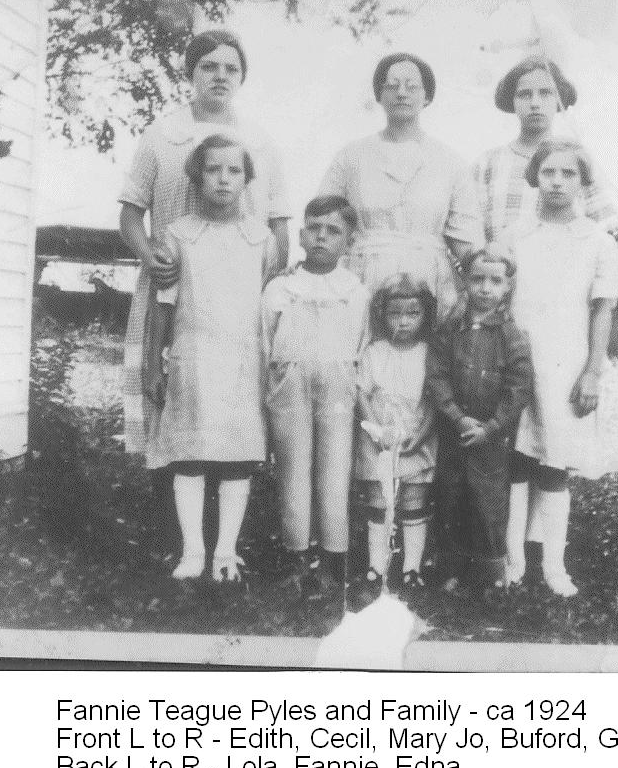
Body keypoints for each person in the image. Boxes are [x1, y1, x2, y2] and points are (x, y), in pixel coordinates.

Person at [119, 29, 290, 455]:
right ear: (191, 73)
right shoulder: (163, 134)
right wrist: (151, 259)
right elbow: (130, 213)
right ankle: (170, 490)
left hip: (237, 296)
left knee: (235, 406)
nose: (220, 76)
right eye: (208, 66)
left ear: (242, 77)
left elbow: (278, 224)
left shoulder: (260, 142)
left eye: (231, 68)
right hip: (174, 286)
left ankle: (232, 486)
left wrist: (268, 284)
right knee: (170, 400)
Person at [143, 135, 282, 582]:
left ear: (246, 179)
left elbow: (269, 303)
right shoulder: (180, 234)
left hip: (244, 360)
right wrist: (153, 362)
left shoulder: (260, 238)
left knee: (237, 455)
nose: (223, 179)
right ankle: (192, 553)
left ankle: (225, 553)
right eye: (213, 169)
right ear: (197, 176)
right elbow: (163, 302)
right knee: (191, 453)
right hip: (194, 357)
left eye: (234, 171)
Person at [506, 139, 618, 597]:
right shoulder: (515, 236)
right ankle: (513, 563)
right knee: (515, 461)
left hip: (566, 363)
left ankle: (553, 566)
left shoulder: (598, 242)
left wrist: (592, 371)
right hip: (517, 361)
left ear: (583, 182)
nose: (557, 182)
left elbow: (603, 309)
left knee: (554, 464)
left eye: (568, 173)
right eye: (548, 172)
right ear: (535, 177)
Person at [260, 196, 370, 594]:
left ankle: (333, 560)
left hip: (338, 384)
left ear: (348, 242)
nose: (322, 237)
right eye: (314, 228)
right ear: (302, 235)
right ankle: (296, 557)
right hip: (290, 381)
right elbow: (265, 341)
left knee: (335, 470)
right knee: (293, 468)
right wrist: (271, 385)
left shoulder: (355, 290)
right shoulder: (281, 287)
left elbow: (362, 343)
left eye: (333, 231)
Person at [316, 52, 481, 315]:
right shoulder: (351, 156)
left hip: (429, 280)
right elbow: (323, 220)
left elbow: (467, 243)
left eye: (412, 86)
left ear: (427, 97)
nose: (401, 93)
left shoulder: (450, 162)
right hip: (362, 279)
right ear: (379, 96)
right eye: (391, 86)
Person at [425, 249, 532, 589]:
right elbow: (437, 377)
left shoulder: (511, 336)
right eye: (477, 279)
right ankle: (450, 569)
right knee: (450, 496)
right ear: (465, 281)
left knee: (488, 503)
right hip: (455, 434)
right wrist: (457, 418)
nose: (485, 288)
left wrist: (491, 428)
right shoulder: (450, 330)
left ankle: (490, 576)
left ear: (508, 286)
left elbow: (519, 388)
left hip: (492, 440)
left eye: (495, 281)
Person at [354, 274, 439, 602]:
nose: (403, 322)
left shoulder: (429, 353)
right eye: (395, 313)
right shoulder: (374, 352)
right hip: (377, 440)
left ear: (425, 315)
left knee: (414, 500)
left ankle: (411, 568)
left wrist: (422, 433)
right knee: (378, 499)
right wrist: (375, 429)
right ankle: (376, 566)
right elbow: (362, 394)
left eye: (412, 314)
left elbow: (435, 399)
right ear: (382, 314)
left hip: (416, 438)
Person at [475, 56, 613, 244]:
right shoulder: (488, 163)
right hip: (505, 260)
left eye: (546, 93)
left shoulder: (578, 158)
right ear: (512, 101)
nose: (535, 103)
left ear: (558, 99)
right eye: (524, 94)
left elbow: (603, 229)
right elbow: (472, 232)